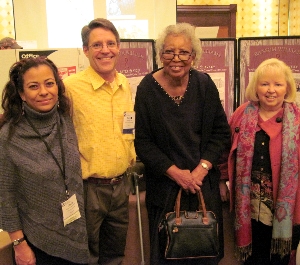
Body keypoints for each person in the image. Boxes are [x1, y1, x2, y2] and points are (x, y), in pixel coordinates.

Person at [134, 22, 231, 265]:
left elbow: (221, 132)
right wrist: (177, 174)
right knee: (167, 255)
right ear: (160, 54)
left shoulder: (204, 84)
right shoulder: (147, 88)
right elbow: (143, 143)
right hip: (165, 189)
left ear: (193, 56)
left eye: (183, 52)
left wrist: (201, 170)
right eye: (169, 51)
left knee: (204, 254)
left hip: (202, 188)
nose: (176, 58)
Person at [0, 57, 89, 265]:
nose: (43, 91)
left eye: (49, 84)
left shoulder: (64, 120)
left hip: (76, 232)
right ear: (21, 94)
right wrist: (19, 243)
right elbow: (5, 196)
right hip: (37, 242)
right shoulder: (9, 137)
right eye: (33, 86)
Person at [63, 18, 135, 265]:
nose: (105, 50)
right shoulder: (70, 88)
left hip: (120, 185)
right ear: (85, 50)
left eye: (111, 43)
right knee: (86, 255)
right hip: (87, 189)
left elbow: (128, 128)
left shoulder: (124, 84)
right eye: (97, 45)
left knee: (115, 255)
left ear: (118, 47)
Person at [219, 58, 300, 265]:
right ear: (256, 87)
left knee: (280, 259)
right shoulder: (241, 115)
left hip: (289, 207)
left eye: (278, 84)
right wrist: (222, 181)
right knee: (254, 260)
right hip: (250, 206)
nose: (271, 90)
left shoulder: (297, 118)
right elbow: (224, 150)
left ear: (287, 88)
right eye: (264, 84)